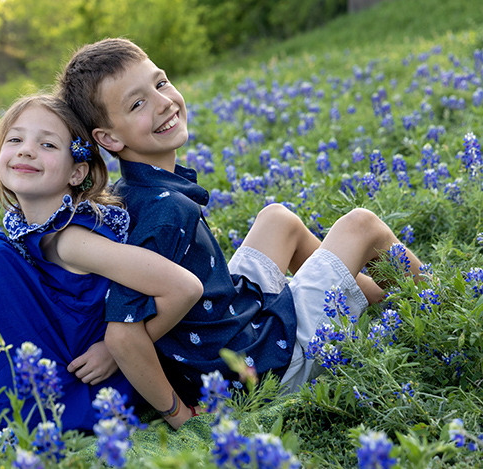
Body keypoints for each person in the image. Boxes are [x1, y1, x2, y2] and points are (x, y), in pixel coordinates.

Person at [57, 38, 424, 428]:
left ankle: (382, 305)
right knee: (362, 225)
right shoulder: (165, 211)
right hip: (264, 368)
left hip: (238, 319)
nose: (163, 102)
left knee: (277, 219)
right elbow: (124, 337)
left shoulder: (131, 193)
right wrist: (179, 416)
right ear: (109, 139)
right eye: (137, 103)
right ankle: (437, 305)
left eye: (160, 84)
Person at [0, 94, 203, 435]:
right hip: (68, 370)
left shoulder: (72, 239)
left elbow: (183, 287)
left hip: (86, 389)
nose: (26, 150)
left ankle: (15, 421)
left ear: (77, 171)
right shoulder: (39, 232)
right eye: (15, 139)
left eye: (48, 145)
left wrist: (116, 349)